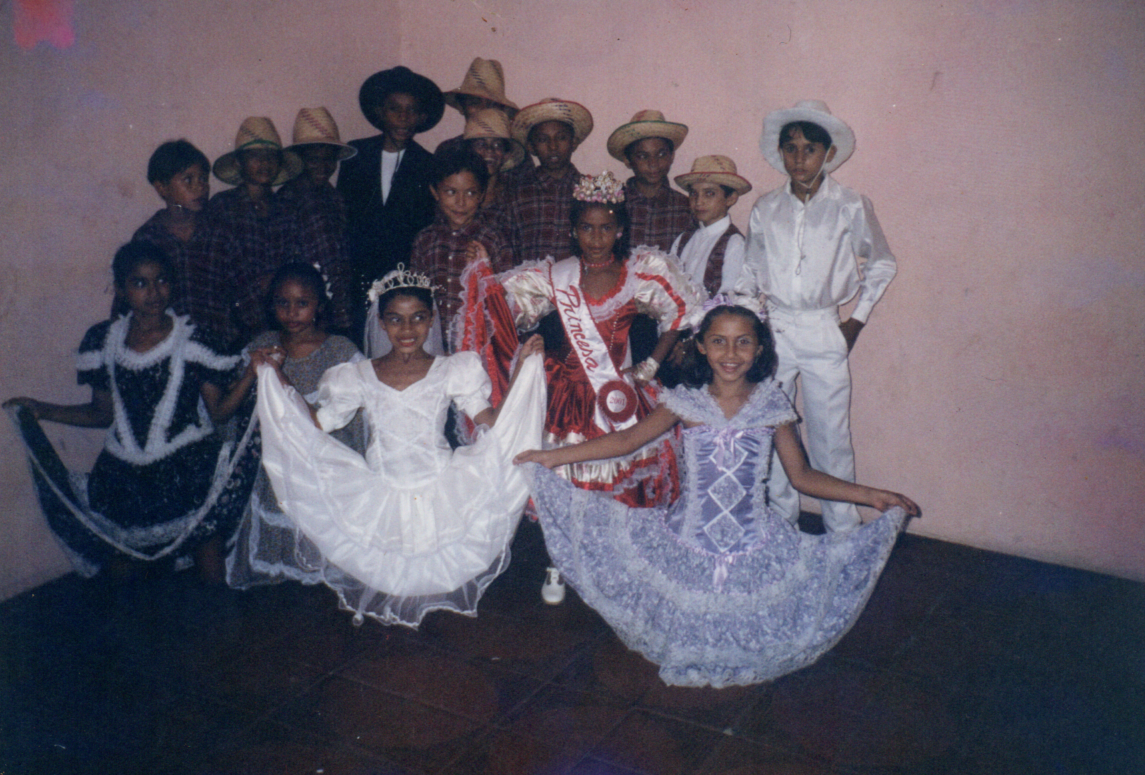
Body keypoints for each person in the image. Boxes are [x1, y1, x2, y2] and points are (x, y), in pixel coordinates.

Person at [516, 298, 919, 687]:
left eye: (743, 342)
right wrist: (552, 457)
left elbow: (802, 476)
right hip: (688, 538)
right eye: (719, 341)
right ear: (702, 347)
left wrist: (870, 495)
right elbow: (627, 441)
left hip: (753, 540)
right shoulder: (685, 402)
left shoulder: (771, 404)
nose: (731, 353)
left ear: (759, 348)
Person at [251, 266, 547, 627]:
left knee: (434, 565)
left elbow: (492, 421)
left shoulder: (452, 370)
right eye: (395, 319)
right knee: (388, 568)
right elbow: (318, 424)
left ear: (432, 319)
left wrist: (521, 372)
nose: (407, 329)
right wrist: (276, 375)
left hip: (439, 486)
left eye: (418, 318)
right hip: (382, 487)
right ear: (381, 322)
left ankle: (432, 631)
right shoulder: (357, 376)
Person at [4, 243, 261, 583]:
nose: (153, 292)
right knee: (126, 572)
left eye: (162, 280)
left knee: (208, 558)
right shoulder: (103, 340)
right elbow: (101, 414)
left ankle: (218, 614)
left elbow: (219, 414)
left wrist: (250, 375)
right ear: (122, 290)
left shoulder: (195, 341)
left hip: (187, 468)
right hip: (125, 477)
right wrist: (43, 410)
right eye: (140, 283)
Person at [738, 100, 898, 532]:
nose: (799, 158)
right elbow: (751, 270)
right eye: (791, 148)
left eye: (810, 149)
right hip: (774, 328)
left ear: (828, 153)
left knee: (830, 435)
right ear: (780, 152)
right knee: (770, 426)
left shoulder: (849, 205)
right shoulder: (766, 208)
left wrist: (856, 320)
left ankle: (842, 532)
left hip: (824, 328)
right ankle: (779, 521)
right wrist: (752, 328)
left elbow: (882, 263)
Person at [226, 263, 365, 590]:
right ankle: (286, 567)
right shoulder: (263, 343)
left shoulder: (339, 349)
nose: (291, 312)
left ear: (319, 305)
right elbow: (238, 398)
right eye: (282, 303)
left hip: (325, 448)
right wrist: (253, 370)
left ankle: (324, 568)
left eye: (302, 303)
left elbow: (356, 407)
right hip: (279, 451)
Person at [337, 66, 445, 336]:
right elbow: (343, 216)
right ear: (380, 112)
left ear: (421, 117)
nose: (403, 117)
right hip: (357, 274)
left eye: (412, 110)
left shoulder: (427, 163)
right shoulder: (356, 154)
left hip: (402, 278)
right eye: (395, 109)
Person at [194, 117, 302, 349]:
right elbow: (211, 278)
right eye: (254, 156)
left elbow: (295, 265)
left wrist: (276, 280)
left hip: (281, 324)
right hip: (231, 326)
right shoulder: (222, 207)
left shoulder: (286, 208)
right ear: (239, 163)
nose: (264, 163)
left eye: (271, 156)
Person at [606, 110, 696, 367]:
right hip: (617, 316)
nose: (653, 164)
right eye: (642, 156)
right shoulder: (613, 205)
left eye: (661, 154)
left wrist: (687, 333)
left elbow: (691, 272)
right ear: (628, 160)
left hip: (669, 322)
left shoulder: (686, 208)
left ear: (672, 156)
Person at [407, 146, 512, 352]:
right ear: (435, 192)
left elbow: (507, 300)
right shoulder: (425, 240)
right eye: (451, 192)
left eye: (471, 193)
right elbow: (416, 297)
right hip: (432, 347)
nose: (461, 203)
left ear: (481, 195)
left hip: (478, 348)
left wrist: (486, 268)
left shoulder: (494, 240)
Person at [276, 108, 357, 333]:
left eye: (329, 159)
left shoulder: (335, 197)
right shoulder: (288, 197)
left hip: (338, 303)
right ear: (299, 160)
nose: (323, 166)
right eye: (313, 160)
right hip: (304, 307)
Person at [503, 98, 594, 264]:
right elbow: (508, 249)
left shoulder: (592, 192)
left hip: (579, 279)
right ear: (531, 147)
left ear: (573, 143)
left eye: (561, 137)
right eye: (542, 139)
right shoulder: (516, 193)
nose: (553, 146)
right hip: (528, 279)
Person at [131, 139, 212, 317]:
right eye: (188, 180)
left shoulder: (219, 231)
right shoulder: (147, 238)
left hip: (218, 331)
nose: (200, 187)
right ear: (162, 188)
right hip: (169, 331)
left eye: (203, 179)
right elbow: (130, 300)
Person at [670, 155, 753, 295]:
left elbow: (730, 296)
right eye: (693, 193)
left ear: (731, 199)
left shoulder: (734, 244)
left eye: (709, 193)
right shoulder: (683, 239)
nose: (698, 201)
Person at [434, 57, 529, 175]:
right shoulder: (448, 150)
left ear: (502, 110)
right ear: (462, 107)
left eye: (492, 104)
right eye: (474, 103)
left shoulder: (516, 153)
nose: (484, 109)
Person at [461, 108, 527, 219]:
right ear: (469, 151)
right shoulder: (457, 190)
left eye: (497, 145)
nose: (489, 150)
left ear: (506, 155)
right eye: (480, 144)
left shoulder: (515, 194)